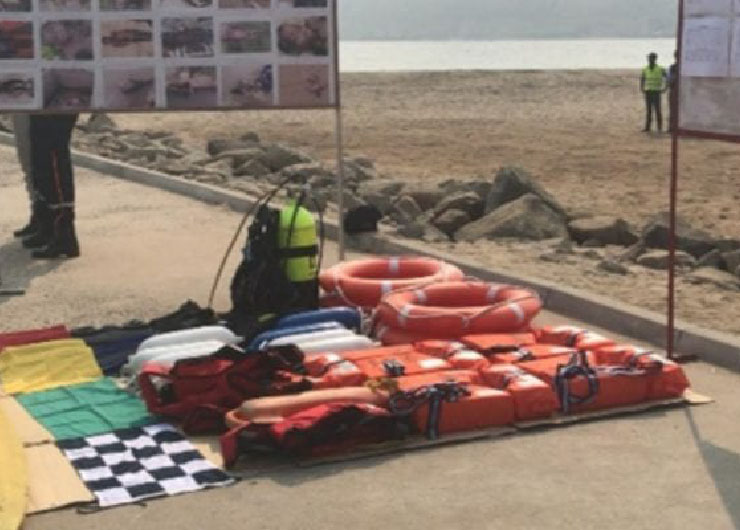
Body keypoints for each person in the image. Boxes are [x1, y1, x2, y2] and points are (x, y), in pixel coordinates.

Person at [21, 113, 80, 259]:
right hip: (41, 109)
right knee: (40, 160)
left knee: (54, 158)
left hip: (56, 109)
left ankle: (64, 232)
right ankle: (48, 227)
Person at [11, 113, 35, 238]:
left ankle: (46, 219)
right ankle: (38, 215)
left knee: (34, 163)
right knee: (27, 162)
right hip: (22, 107)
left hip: (36, 110)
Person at [640, 52, 667, 132]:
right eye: (649, 58)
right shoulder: (645, 69)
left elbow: (667, 77)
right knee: (649, 110)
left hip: (656, 91)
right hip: (648, 91)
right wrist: (642, 87)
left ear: (655, 59)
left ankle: (659, 127)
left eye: (652, 58)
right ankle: (647, 127)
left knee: (657, 110)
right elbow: (643, 78)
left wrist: (665, 87)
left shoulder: (660, 69)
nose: (650, 59)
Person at [667, 50, 678, 133]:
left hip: (678, 90)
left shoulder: (673, 67)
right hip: (674, 89)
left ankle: (673, 127)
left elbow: (670, 80)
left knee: (674, 109)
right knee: (673, 109)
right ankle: (672, 127)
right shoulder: (673, 67)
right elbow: (670, 80)